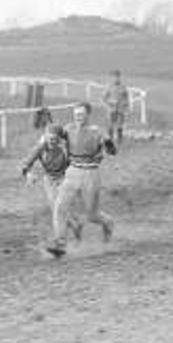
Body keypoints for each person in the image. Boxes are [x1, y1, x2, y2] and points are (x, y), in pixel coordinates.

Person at [48, 102, 115, 258]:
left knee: (92, 215)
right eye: (76, 114)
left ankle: (108, 223)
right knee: (59, 207)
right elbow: (54, 136)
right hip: (72, 172)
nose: (78, 117)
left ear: (88, 115)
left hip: (91, 173)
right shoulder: (68, 129)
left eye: (81, 114)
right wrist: (50, 128)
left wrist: (108, 144)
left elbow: (112, 150)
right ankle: (60, 243)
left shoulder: (97, 131)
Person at [20, 122, 83, 245]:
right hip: (49, 180)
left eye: (54, 138)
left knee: (59, 209)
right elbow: (26, 163)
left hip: (66, 178)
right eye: (48, 138)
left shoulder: (67, 147)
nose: (51, 141)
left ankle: (60, 240)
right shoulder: (40, 147)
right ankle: (76, 226)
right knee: (56, 209)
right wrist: (28, 174)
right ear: (45, 137)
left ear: (59, 139)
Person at [102, 70, 131, 147]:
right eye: (115, 77)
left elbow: (126, 98)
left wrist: (126, 107)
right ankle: (110, 142)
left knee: (120, 126)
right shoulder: (109, 87)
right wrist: (110, 102)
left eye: (118, 77)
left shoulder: (123, 87)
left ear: (120, 77)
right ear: (112, 78)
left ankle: (119, 142)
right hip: (111, 110)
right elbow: (104, 99)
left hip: (120, 110)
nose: (116, 79)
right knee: (110, 126)